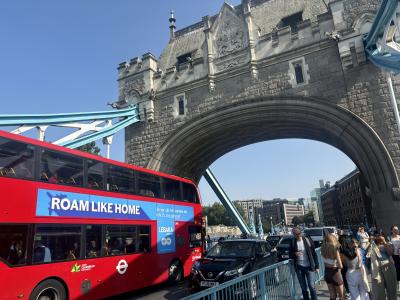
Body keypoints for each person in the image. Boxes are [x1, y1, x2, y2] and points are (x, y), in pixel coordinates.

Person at [289, 227, 319, 300]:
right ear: (294, 234)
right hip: (299, 267)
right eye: (295, 234)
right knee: (303, 288)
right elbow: (290, 254)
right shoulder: (293, 242)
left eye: (298, 234)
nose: (298, 235)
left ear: (301, 233)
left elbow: (314, 254)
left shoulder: (308, 240)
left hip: (309, 267)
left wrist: (317, 266)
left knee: (311, 286)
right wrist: (294, 254)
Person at [366, 234, 397, 300]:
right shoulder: (373, 244)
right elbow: (367, 254)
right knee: (379, 290)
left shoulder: (389, 243)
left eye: (380, 236)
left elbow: (390, 253)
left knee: (391, 288)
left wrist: (384, 242)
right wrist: (370, 242)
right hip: (376, 267)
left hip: (388, 266)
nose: (378, 237)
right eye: (377, 236)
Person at [321, 233, 345, 300]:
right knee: (341, 296)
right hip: (335, 273)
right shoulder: (335, 250)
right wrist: (335, 264)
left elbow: (325, 263)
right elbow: (340, 266)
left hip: (327, 273)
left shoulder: (322, 249)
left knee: (332, 295)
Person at [338, 233, 351, 299]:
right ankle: (349, 292)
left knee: (345, 279)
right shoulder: (351, 248)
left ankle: (348, 292)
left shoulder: (340, 249)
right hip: (352, 267)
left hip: (344, 266)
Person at [388, 225, 400, 293]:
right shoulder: (389, 238)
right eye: (395, 229)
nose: (396, 230)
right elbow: (389, 249)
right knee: (397, 271)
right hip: (394, 257)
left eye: (397, 229)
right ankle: (398, 287)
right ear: (391, 230)